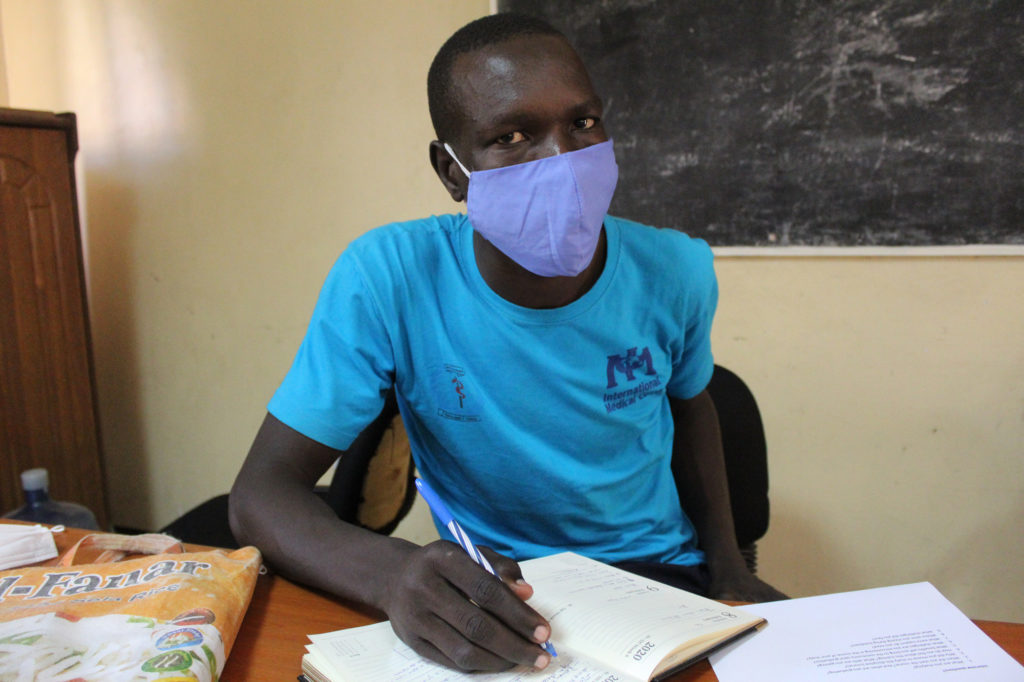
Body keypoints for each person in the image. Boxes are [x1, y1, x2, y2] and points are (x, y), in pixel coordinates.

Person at [229, 12, 786, 674]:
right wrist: (391, 575)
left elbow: (691, 404)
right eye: (513, 136)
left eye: (582, 123)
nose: (562, 159)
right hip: (503, 594)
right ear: (453, 171)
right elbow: (262, 492)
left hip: (657, 582)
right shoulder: (391, 278)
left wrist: (726, 566)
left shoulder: (675, 271)